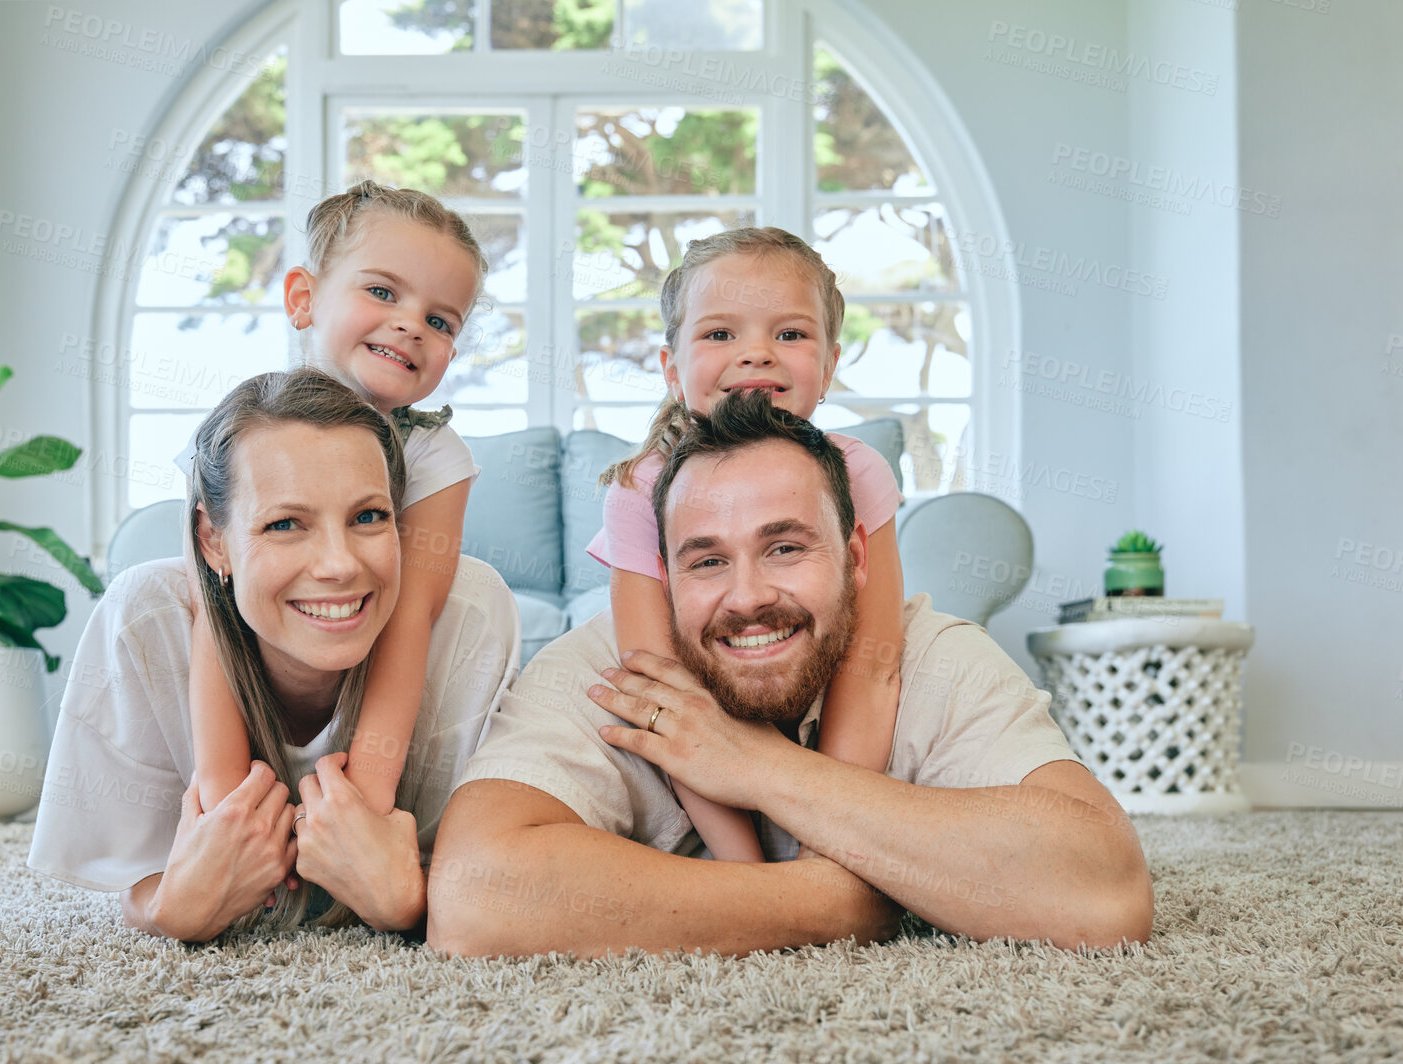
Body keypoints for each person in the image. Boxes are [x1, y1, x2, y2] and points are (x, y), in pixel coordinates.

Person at [429, 392, 1154, 958]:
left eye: (784, 547)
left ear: (857, 559)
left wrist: (755, 764)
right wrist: (831, 902)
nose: (746, 597)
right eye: (707, 560)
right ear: (663, 575)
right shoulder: (609, 673)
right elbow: (471, 894)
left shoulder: (929, 656)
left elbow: (1104, 888)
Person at [28, 368, 520, 939]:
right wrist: (169, 911)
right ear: (214, 540)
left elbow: (496, 873)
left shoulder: (469, 617)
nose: (338, 565)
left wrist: (407, 905)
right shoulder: (146, 621)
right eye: (285, 524)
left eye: (369, 517)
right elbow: (134, 880)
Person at [184, 182, 489, 841]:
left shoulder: (435, 454)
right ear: (304, 298)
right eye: (382, 292)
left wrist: (364, 808)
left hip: (370, 682)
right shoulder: (242, 436)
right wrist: (226, 807)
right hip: (267, 673)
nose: (411, 323)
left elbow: (408, 624)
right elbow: (212, 619)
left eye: (441, 321)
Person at [589, 228, 905, 863]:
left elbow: (871, 664)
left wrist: (828, 854)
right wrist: (749, 871)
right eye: (719, 334)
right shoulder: (639, 490)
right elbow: (666, 696)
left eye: (789, 334)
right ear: (672, 368)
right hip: (705, 733)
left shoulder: (859, 472)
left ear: (831, 364)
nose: (756, 354)